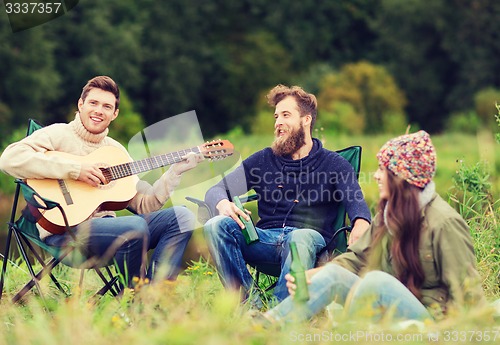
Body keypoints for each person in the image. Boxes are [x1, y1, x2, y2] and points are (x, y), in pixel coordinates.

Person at [263, 130, 486, 324]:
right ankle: (269, 324)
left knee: (375, 280)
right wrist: (316, 275)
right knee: (333, 275)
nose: (377, 176)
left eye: (383, 169)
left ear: (402, 177)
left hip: (431, 324)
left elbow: (468, 297)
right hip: (390, 311)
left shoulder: (445, 224)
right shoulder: (388, 216)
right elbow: (358, 258)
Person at [0, 76, 203, 288]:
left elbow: (145, 205)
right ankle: (137, 297)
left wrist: (175, 172)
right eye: (93, 103)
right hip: (66, 233)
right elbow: (9, 159)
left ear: (114, 114)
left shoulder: (116, 152)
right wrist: (75, 170)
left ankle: (157, 293)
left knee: (182, 217)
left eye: (107, 106)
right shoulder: (58, 134)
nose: (99, 111)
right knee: (135, 226)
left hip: (108, 232)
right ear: (81, 104)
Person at [203, 84, 371, 304]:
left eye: (285, 115)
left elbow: (357, 204)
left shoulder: (334, 164)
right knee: (215, 225)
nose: (278, 123)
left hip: (308, 240)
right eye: (276, 117)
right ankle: (248, 306)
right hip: (264, 240)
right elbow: (215, 190)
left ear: (306, 119)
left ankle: (279, 313)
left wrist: (360, 223)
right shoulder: (263, 160)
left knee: (300, 237)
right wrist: (223, 204)